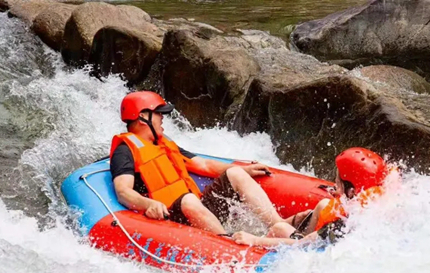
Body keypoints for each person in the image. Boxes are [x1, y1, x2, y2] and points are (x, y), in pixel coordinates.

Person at [110, 91, 285, 235]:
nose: (162, 118)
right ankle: (228, 243)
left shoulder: (164, 144)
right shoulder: (124, 151)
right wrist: (150, 204)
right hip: (170, 216)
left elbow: (203, 165)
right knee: (188, 200)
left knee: (236, 173)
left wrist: (245, 169)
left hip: (197, 208)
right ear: (142, 117)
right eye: (158, 113)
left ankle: (279, 226)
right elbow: (123, 191)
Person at [232, 147, 393, 247]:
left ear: (351, 192)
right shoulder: (375, 206)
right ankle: (299, 229)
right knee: (324, 204)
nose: (334, 184)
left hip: (318, 252)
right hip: (331, 243)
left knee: (279, 228)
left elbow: (303, 245)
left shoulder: (342, 225)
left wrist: (255, 240)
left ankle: (258, 253)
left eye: (338, 182)